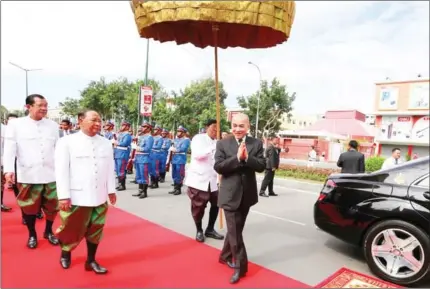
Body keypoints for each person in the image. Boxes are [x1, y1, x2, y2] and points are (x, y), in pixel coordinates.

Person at [54, 110, 117, 273]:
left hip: (99, 196)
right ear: (80, 120)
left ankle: (91, 260)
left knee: (96, 229)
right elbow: (61, 171)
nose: (98, 124)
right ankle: (65, 253)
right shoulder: (66, 142)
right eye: (94, 120)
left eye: (100, 120)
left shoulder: (105, 143)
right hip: (76, 196)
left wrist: (111, 190)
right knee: (71, 228)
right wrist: (63, 196)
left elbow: (110, 168)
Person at [214, 113, 265, 284]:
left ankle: (224, 255)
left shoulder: (256, 143)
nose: (237, 129)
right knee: (235, 233)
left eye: (241, 126)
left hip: (247, 195)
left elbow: (261, 166)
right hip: (229, 195)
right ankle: (240, 267)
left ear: (248, 127)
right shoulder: (222, 143)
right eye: (234, 125)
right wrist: (236, 159)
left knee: (235, 230)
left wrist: (247, 159)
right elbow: (219, 167)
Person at [3, 94, 60, 249]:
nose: (44, 108)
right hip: (28, 174)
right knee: (29, 207)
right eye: (40, 105)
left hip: (51, 174)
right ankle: (32, 234)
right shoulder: (16, 125)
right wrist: (8, 170)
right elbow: (9, 149)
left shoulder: (53, 125)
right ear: (28, 107)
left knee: (52, 206)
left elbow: (58, 149)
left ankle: (48, 231)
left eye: (46, 105)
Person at [184, 119, 224, 243]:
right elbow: (198, 155)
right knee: (198, 207)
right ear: (207, 127)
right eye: (213, 127)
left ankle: (210, 229)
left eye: (218, 128)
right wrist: (213, 147)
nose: (215, 130)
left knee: (216, 204)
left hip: (213, 180)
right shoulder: (198, 139)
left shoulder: (219, 143)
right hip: (199, 180)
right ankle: (199, 229)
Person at [132, 121, 154, 199]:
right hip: (138, 158)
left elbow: (147, 149)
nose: (143, 128)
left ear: (149, 129)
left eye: (145, 127)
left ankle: (144, 192)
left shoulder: (150, 137)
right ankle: (140, 190)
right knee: (139, 175)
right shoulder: (141, 137)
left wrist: (138, 148)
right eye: (143, 126)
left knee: (144, 175)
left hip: (145, 158)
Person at [168, 126, 191, 196]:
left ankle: (178, 189)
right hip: (174, 158)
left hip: (180, 158)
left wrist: (175, 149)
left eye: (180, 131)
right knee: (174, 174)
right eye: (178, 131)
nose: (178, 133)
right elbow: (173, 146)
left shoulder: (186, 140)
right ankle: (175, 188)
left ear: (184, 133)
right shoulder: (175, 139)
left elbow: (183, 148)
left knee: (179, 174)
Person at [113, 121, 132, 191]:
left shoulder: (127, 135)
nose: (121, 127)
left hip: (123, 154)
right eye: (122, 125)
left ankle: (122, 185)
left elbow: (124, 143)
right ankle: (119, 184)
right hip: (118, 153)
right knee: (118, 170)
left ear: (127, 127)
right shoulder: (121, 134)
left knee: (121, 169)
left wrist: (116, 143)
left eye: (123, 125)